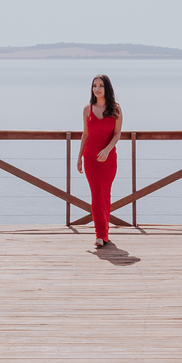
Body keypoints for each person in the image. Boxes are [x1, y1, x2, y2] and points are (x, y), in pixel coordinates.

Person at [77, 75, 122, 249]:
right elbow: (85, 134)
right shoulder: (87, 109)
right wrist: (79, 156)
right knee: (96, 195)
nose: (97, 89)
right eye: (94, 86)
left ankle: (104, 232)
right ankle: (99, 234)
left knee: (105, 195)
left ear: (107, 88)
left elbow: (117, 133)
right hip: (91, 158)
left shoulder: (116, 109)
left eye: (101, 86)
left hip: (109, 158)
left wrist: (107, 149)